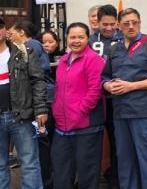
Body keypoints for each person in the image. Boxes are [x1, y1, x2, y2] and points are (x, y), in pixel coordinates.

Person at [0, 12, 48, 189]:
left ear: (5, 29)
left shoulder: (24, 53)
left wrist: (41, 109)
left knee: (30, 164)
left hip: (22, 117)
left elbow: (38, 81)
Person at [101, 8, 147, 189]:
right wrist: (107, 85)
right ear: (118, 26)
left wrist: (131, 86)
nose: (131, 26)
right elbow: (104, 77)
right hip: (120, 113)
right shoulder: (114, 48)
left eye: (135, 22)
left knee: (146, 158)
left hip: (143, 112)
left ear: (139, 23)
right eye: (126, 23)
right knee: (124, 160)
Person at [51, 22, 105, 189]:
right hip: (62, 126)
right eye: (72, 37)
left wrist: (79, 111)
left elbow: (95, 91)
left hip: (86, 126)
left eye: (81, 37)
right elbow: (59, 89)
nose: (76, 40)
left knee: (87, 173)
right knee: (61, 172)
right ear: (66, 38)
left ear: (88, 38)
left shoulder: (93, 59)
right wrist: (57, 110)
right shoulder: (63, 61)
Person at [9, 20, 55, 189]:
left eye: (11, 33)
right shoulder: (30, 45)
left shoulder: (31, 45)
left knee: (41, 144)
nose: (9, 36)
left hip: (41, 103)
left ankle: (45, 182)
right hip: (41, 101)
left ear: (21, 33)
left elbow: (37, 75)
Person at [88, 4, 122, 187]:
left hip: (117, 99)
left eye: (112, 24)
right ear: (97, 23)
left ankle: (115, 179)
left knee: (118, 141)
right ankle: (92, 179)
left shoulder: (123, 38)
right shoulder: (89, 40)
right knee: (93, 140)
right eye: (105, 24)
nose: (109, 28)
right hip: (95, 99)